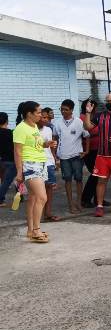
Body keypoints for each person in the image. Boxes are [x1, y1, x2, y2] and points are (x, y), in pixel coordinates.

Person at [13, 101, 55, 242]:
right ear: (29, 114)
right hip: (30, 165)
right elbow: (17, 152)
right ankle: (36, 230)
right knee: (42, 197)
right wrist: (19, 172)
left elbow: (38, 144)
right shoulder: (21, 128)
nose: (40, 115)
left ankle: (31, 230)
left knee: (33, 198)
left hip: (41, 163)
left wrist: (46, 144)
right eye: (37, 112)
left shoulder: (34, 127)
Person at [51, 99, 89, 214]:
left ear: (71, 110)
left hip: (77, 155)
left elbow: (87, 136)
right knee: (67, 180)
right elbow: (54, 139)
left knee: (78, 179)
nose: (63, 111)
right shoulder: (57, 123)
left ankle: (78, 202)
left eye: (66, 109)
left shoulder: (79, 122)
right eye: (61, 109)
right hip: (63, 157)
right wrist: (54, 155)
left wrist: (86, 151)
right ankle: (70, 204)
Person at [80, 98, 103, 208]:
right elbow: (89, 131)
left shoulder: (96, 117)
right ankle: (86, 199)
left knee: (99, 175)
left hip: (98, 149)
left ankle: (98, 199)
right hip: (89, 151)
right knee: (95, 174)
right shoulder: (82, 118)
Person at [38, 109, 60, 222]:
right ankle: (38, 215)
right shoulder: (31, 130)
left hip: (49, 162)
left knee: (50, 188)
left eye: (47, 117)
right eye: (43, 117)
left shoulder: (48, 129)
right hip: (36, 164)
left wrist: (55, 159)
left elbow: (51, 146)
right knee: (38, 190)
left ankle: (48, 213)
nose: (46, 119)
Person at [0, 112, 17, 207]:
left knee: (5, 180)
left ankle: (20, 195)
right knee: (7, 181)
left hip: (2, 160)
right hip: (10, 160)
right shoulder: (10, 133)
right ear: (6, 121)